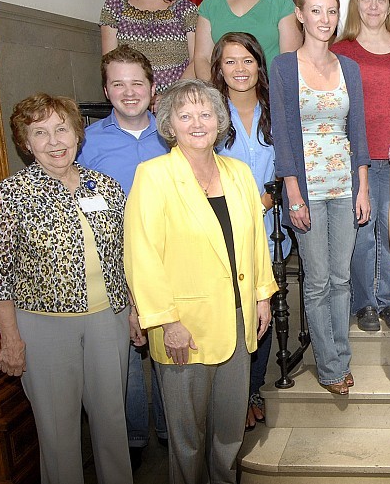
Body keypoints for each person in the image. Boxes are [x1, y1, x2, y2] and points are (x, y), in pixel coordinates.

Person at [124, 79, 278, 484]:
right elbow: (141, 255)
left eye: (206, 114)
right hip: (184, 328)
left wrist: (262, 296)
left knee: (228, 431)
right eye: (185, 115)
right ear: (170, 125)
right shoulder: (153, 176)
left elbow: (255, 242)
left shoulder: (239, 173)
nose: (197, 122)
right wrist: (166, 321)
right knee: (187, 439)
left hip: (238, 317)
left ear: (220, 122)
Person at [0, 93, 133, 484]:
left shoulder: (107, 187)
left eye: (62, 129)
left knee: (113, 424)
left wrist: (132, 310)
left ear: (77, 135)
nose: (54, 141)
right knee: (59, 434)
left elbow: (126, 254)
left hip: (108, 320)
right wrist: (11, 339)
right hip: (45, 328)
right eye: (40, 133)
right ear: (26, 143)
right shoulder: (9, 196)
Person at [270, 0, 370, 395]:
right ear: (300, 14)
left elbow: (358, 132)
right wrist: (293, 193)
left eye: (331, 11)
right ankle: (329, 367)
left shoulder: (349, 67)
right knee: (317, 281)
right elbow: (284, 135)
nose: (325, 19)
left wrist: (363, 186)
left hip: (345, 186)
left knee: (342, 278)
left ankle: (340, 358)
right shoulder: (283, 67)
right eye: (316, 10)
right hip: (306, 191)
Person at [77, 46, 170, 466]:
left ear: (153, 88)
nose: (128, 92)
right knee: (127, 355)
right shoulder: (86, 143)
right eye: (118, 84)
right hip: (110, 262)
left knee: (170, 346)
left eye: (137, 83)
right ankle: (132, 438)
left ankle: (173, 431)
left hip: (170, 259)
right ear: (105, 89)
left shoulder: (174, 135)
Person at [209, 32, 291, 429]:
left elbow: (288, 165)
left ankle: (254, 388)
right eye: (230, 61)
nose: (239, 69)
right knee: (233, 315)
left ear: (260, 64)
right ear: (218, 68)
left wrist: (269, 198)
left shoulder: (276, 107)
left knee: (264, 313)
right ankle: (234, 394)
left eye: (247, 60)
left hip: (270, 230)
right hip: (222, 234)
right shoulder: (207, 113)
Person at [333, 0, 390, 332]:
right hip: (358, 158)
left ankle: (388, 301)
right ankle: (364, 302)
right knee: (362, 232)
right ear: (356, 3)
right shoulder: (342, 50)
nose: (373, 6)